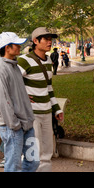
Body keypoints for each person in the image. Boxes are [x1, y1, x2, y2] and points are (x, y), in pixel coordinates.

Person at [0, 32, 39, 172]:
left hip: (26, 124)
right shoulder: (0, 70)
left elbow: (15, 92)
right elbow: (1, 101)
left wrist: (23, 99)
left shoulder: (15, 66)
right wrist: (14, 125)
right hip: (12, 127)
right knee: (13, 167)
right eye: (16, 44)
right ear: (7, 48)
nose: (19, 46)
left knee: (33, 162)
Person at [18, 27, 64, 172]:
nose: (50, 42)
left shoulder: (49, 60)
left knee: (47, 150)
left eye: (51, 39)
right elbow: (11, 84)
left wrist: (56, 109)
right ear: (36, 41)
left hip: (46, 112)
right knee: (33, 150)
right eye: (46, 39)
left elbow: (48, 87)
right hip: (32, 114)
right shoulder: (24, 61)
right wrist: (23, 98)